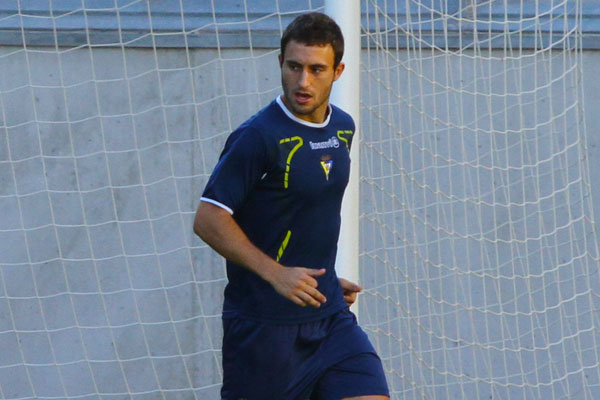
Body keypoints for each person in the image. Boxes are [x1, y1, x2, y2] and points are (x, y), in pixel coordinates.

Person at [194, 12, 390, 400]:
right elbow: (208, 218)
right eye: (293, 66)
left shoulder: (343, 128)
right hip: (264, 330)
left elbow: (310, 210)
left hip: (329, 317)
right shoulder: (257, 137)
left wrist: (326, 282)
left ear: (338, 71)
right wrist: (278, 274)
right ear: (280, 63)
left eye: (317, 69)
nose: (303, 81)